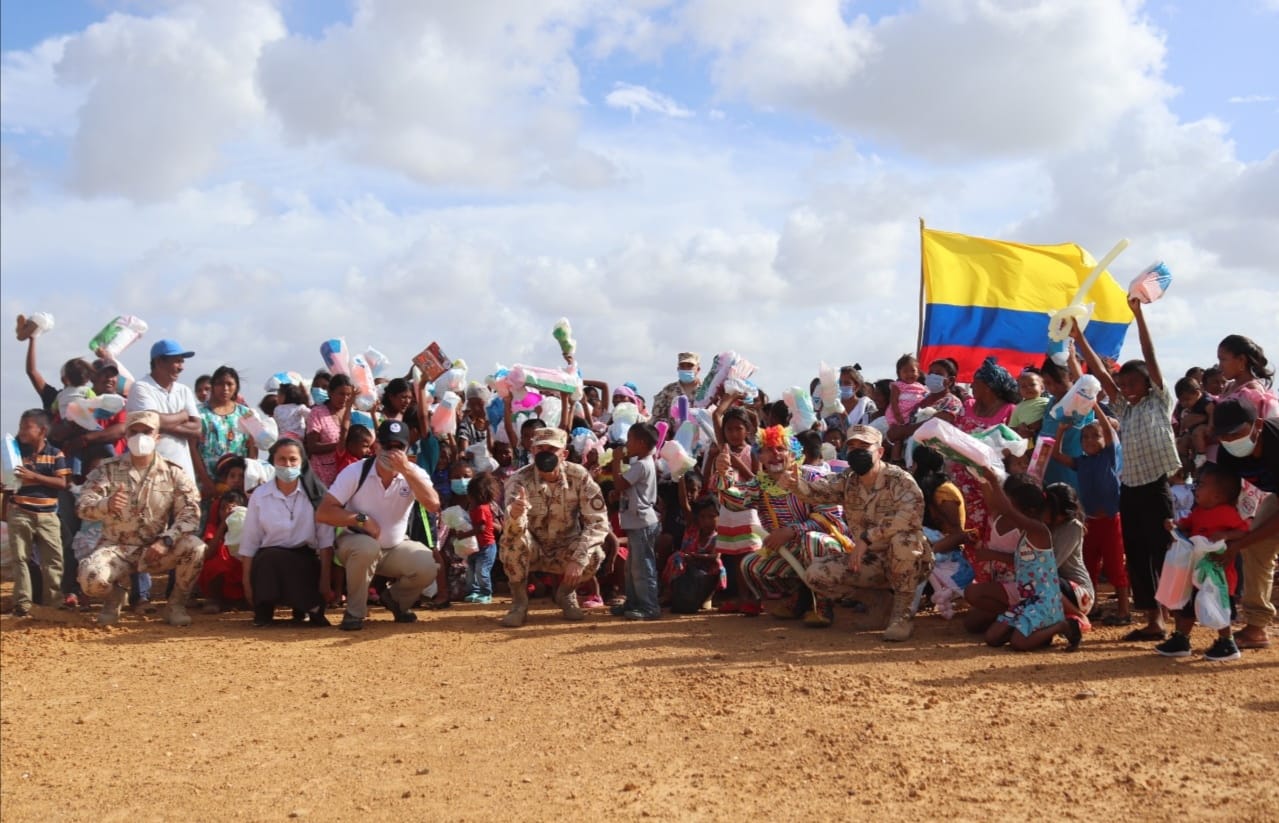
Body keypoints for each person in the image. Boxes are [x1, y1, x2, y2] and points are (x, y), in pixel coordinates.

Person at [1073, 303, 1181, 642]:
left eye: (1134, 381)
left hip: (1156, 488)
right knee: (1136, 555)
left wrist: (1139, 315)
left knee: (1164, 552)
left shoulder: (1159, 401)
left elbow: (1149, 354)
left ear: (1149, 384)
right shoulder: (1122, 407)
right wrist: (1077, 338)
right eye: (1124, 382)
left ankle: (1177, 617)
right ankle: (1153, 620)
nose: (1127, 386)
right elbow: (1100, 375)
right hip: (1130, 491)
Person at [782, 425, 932, 639]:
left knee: (904, 540)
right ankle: (876, 602)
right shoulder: (848, 480)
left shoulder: (900, 480)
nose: (857, 451)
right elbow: (818, 491)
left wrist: (867, 538)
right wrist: (795, 484)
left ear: (879, 452)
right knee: (815, 575)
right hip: (870, 561)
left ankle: (902, 615)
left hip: (907, 559)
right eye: (852, 446)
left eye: (864, 446)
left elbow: (911, 517)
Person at [76, 411, 207, 626]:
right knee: (90, 578)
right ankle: (114, 597)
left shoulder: (173, 472)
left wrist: (167, 540)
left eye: (147, 432)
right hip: (117, 549)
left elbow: (190, 513)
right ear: (126, 436)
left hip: (156, 549)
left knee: (196, 548)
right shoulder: (107, 470)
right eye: (134, 432)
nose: (140, 437)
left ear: (157, 436)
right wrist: (105, 505)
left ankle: (176, 604)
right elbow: (82, 506)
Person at [316, 419, 442, 631]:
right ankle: (355, 613)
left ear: (407, 449)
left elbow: (433, 505)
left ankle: (395, 600)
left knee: (427, 565)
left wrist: (407, 472)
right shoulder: (355, 472)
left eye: (398, 447)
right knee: (367, 548)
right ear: (376, 446)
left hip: (395, 547)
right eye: (387, 446)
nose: (392, 453)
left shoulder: (413, 473)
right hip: (354, 545)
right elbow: (324, 512)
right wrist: (361, 519)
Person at [497, 428, 610, 627]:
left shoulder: (579, 476)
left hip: (566, 547)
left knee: (594, 554)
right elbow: (512, 530)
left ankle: (566, 593)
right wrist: (515, 514)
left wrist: (579, 558)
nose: (545, 453)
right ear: (532, 451)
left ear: (564, 454)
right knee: (511, 542)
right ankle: (519, 603)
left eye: (552, 449)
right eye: (540, 448)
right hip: (533, 549)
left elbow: (598, 522)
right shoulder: (519, 480)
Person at [1155, 464, 1250, 661]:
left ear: (1218, 494)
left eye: (1201, 484)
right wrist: (1174, 525)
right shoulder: (1199, 511)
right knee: (1187, 604)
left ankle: (1227, 642)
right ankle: (1182, 639)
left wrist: (1226, 534)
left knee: (1218, 604)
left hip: (1219, 573)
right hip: (1197, 569)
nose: (1195, 488)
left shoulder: (1227, 512)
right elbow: (1187, 524)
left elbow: (1244, 531)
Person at [978, 469, 1081, 652]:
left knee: (1019, 643)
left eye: (1013, 505)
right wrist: (984, 480)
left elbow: (1006, 509)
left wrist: (994, 482)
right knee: (992, 637)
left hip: (1044, 602)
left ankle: (1062, 625)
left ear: (1028, 511)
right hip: (1028, 600)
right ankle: (1038, 632)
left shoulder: (1038, 530)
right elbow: (1001, 507)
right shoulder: (1027, 530)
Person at [238, 439, 334, 627]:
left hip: (304, 558)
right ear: (273, 461)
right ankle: (265, 610)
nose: (287, 465)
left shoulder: (316, 496)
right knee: (271, 558)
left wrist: (325, 581)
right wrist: (247, 583)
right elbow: (250, 541)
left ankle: (308, 607)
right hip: (268, 561)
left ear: (302, 462)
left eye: (293, 459)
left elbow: (325, 542)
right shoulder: (260, 495)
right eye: (282, 459)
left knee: (297, 565)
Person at [1050, 404, 1131, 625]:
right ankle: (1092, 606)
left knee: (1115, 565)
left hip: (1111, 520)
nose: (1089, 441)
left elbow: (1108, 428)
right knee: (1089, 564)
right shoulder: (1081, 462)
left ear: (1106, 438)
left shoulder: (1111, 455)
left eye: (1095, 436)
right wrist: (1061, 431)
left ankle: (1124, 610)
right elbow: (1056, 455)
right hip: (1090, 522)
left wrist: (1095, 406)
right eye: (1085, 438)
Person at [1211, 397, 1279, 650]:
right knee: (1256, 548)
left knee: (1252, 541)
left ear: (1258, 424)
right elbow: (1222, 498)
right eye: (1223, 437)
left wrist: (1240, 541)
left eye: (1235, 434)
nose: (1229, 441)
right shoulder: (1227, 453)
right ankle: (1257, 627)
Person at [4, 409, 70, 616]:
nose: (21, 431)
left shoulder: (55, 454)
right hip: (20, 511)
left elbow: (62, 483)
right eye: (20, 427)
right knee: (20, 559)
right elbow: (7, 480)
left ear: (42, 430)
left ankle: (53, 602)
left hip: (48, 515)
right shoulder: (14, 454)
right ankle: (22, 604)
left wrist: (33, 476)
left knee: (53, 559)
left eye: (26, 427)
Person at [124, 339, 201, 480]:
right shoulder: (141, 387)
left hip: (182, 472)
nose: (181, 367)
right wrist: (182, 416)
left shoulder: (184, 390)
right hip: (151, 473)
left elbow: (197, 429)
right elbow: (150, 422)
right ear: (159, 362)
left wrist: (160, 424)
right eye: (177, 361)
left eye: (182, 361)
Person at [609, 422, 662, 620]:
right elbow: (628, 488)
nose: (627, 444)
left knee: (642, 567)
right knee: (633, 567)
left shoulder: (641, 464)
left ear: (640, 443)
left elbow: (621, 483)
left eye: (630, 440)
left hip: (642, 523)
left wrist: (615, 461)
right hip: (638, 522)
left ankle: (649, 606)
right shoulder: (642, 463)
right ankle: (633, 602)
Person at [192, 365, 254, 499]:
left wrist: (248, 480)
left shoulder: (246, 414)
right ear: (213, 386)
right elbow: (192, 448)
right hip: (206, 483)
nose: (225, 388)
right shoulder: (198, 413)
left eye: (229, 384)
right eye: (220, 384)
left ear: (236, 387)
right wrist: (206, 482)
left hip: (238, 484)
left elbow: (252, 447)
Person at [453, 472, 499, 604]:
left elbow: (481, 529)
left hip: (486, 546)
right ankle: (474, 591)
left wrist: (462, 535)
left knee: (481, 571)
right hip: (476, 547)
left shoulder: (480, 509)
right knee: (471, 571)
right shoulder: (475, 508)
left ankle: (486, 593)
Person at [305, 373, 354, 485]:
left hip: (347, 475)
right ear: (330, 392)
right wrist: (340, 446)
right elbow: (312, 446)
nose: (345, 398)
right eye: (341, 394)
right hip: (322, 476)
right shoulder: (317, 413)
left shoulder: (352, 414)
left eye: (348, 395)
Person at [650, 352, 701, 427]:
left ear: (698, 369)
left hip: (701, 435)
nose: (686, 369)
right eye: (682, 366)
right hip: (673, 435)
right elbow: (657, 416)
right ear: (678, 369)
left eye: (690, 366)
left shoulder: (706, 390)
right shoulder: (668, 390)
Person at [1010, 370, 1050, 439]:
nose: (1028, 388)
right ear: (1019, 391)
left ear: (1042, 388)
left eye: (1032, 385)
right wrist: (1020, 430)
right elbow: (1012, 428)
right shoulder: (1018, 408)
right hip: (1028, 439)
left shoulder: (1047, 401)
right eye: (1023, 386)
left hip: (1046, 434)